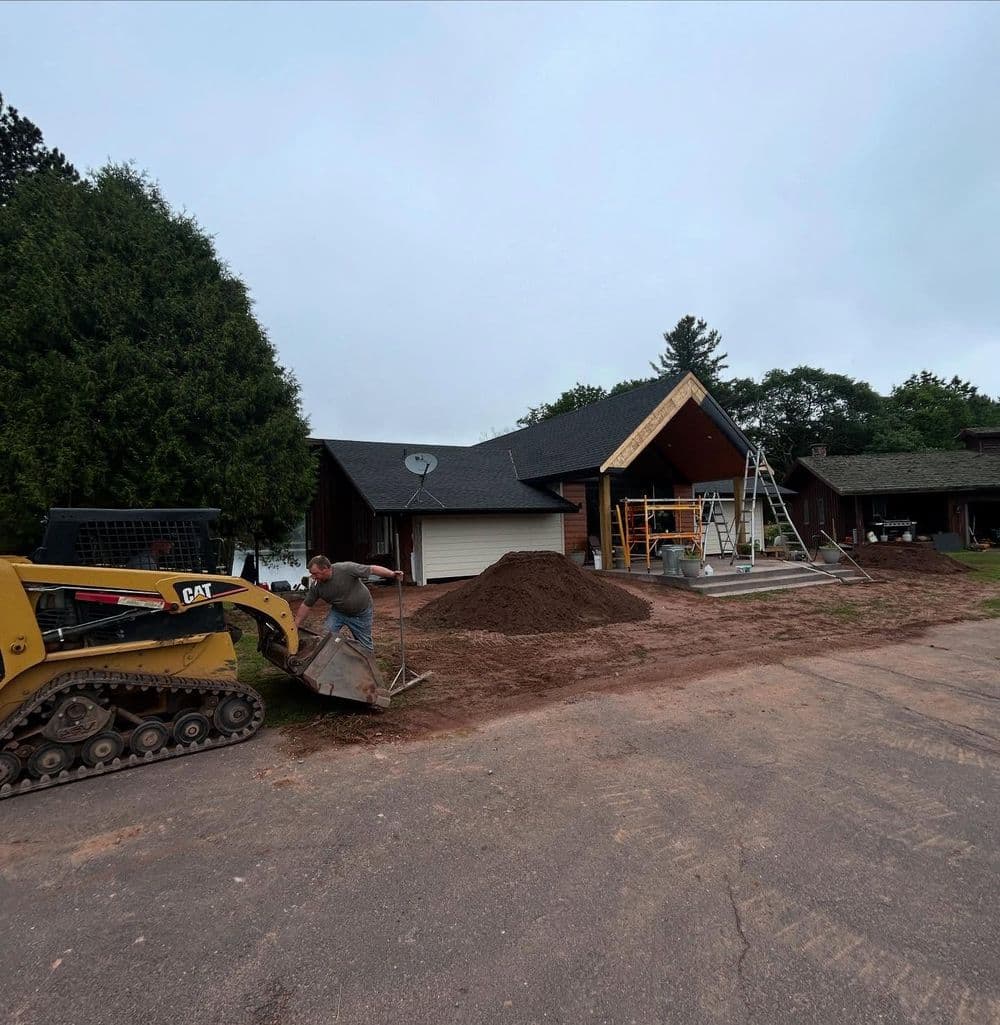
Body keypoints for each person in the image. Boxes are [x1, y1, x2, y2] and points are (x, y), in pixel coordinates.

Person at [293, 555, 403, 652]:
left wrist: (392, 574)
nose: (313, 577)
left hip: (361, 613)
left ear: (325, 568)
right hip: (339, 613)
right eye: (311, 574)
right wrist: (295, 625)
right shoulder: (316, 586)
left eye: (315, 573)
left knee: (365, 646)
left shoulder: (346, 569)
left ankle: (367, 666)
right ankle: (330, 662)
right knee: (325, 637)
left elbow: (372, 569)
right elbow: (306, 605)